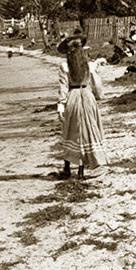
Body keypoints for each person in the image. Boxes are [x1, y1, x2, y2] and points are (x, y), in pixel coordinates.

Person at [55, 30, 109, 178]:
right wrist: (98, 96)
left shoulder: (64, 66)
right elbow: (96, 84)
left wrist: (61, 105)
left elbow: (63, 87)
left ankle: (67, 167)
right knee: (89, 128)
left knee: (71, 130)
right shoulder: (89, 65)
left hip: (73, 97)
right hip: (87, 96)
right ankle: (82, 169)